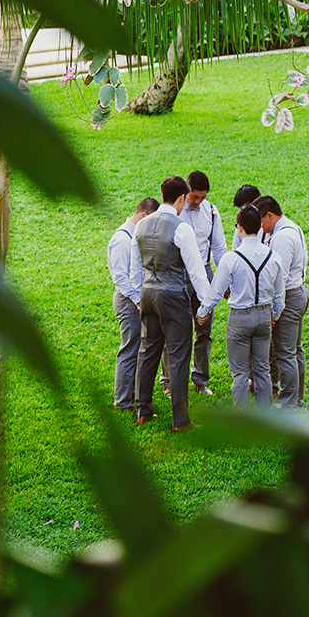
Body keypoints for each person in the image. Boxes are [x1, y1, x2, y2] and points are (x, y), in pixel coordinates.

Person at [133, 176, 211, 431]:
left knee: (148, 351)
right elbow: (196, 270)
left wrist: (138, 295)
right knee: (178, 356)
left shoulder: (141, 225)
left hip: (147, 292)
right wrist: (205, 305)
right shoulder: (181, 228)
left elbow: (136, 266)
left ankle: (143, 410)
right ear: (180, 199)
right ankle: (181, 420)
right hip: (173, 294)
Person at [198, 204, 286, 407]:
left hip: (239, 317)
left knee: (240, 373)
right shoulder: (273, 257)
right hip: (263, 315)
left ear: (239, 228)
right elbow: (279, 295)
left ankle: (243, 418)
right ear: (260, 227)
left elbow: (215, 292)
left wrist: (203, 312)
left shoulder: (231, 259)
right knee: (262, 369)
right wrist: (274, 316)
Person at [256, 194, 309, 407]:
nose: (260, 227)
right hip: (298, 291)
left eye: (261, 220)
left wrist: (274, 312)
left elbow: (279, 276)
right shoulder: (291, 228)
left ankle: (289, 404)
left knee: (286, 353)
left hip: (288, 296)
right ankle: (297, 399)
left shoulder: (282, 237)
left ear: (269, 215)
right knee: (295, 351)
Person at [106, 197, 157, 413]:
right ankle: (123, 401)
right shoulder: (122, 239)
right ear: (144, 216)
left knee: (139, 349)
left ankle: (134, 395)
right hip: (128, 302)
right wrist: (137, 300)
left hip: (137, 301)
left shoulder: (134, 236)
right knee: (129, 349)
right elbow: (120, 277)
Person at [180, 170, 226, 396]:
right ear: (186, 191)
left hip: (204, 272)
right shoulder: (174, 211)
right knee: (176, 331)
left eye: (202, 197)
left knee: (204, 328)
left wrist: (223, 277)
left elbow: (218, 247)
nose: (198, 202)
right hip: (180, 273)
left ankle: (200, 378)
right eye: (194, 197)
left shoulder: (211, 211)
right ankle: (169, 381)